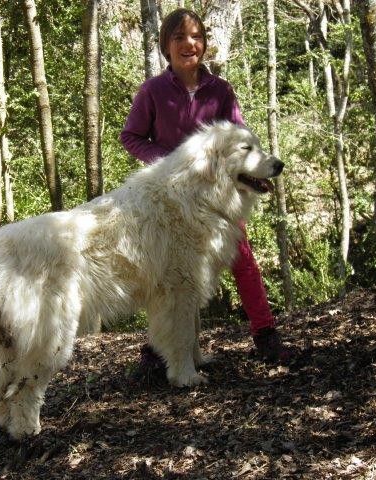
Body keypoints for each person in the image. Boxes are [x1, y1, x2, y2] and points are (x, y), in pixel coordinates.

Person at [120, 8, 292, 365]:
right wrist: (168, 161)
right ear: (166, 46)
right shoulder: (153, 91)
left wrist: (251, 169)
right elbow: (131, 136)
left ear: (205, 45)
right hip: (172, 200)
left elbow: (239, 137)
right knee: (172, 272)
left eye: (196, 37)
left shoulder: (220, 90)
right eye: (179, 37)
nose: (189, 44)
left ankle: (266, 335)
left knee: (242, 260)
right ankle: (159, 349)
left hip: (218, 197)